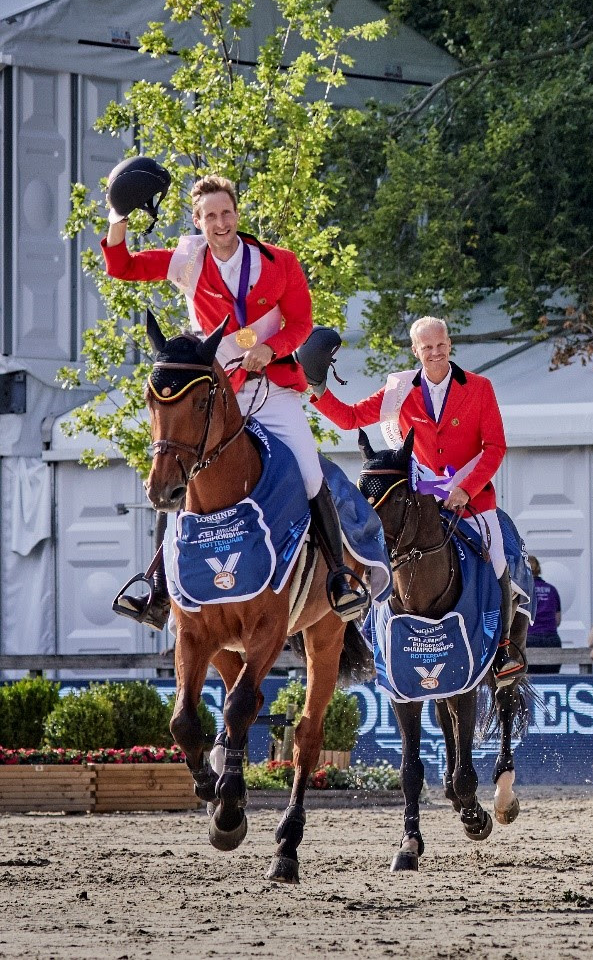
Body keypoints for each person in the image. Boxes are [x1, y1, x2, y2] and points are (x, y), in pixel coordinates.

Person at [104, 173, 368, 628]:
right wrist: (118, 215)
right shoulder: (188, 262)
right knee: (178, 475)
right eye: (210, 216)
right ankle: (159, 587)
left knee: (308, 471)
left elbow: (302, 324)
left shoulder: (279, 261)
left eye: (226, 213)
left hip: (271, 388)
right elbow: (122, 267)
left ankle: (339, 577)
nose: (220, 222)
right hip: (217, 394)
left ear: (237, 215)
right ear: (197, 220)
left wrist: (272, 347)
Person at [312, 316, 521, 681]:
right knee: (378, 552)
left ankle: (503, 648)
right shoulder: (399, 391)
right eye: (428, 348)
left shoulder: (479, 387)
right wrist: (318, 389)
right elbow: (349, 419)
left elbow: (495, 447)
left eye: (441, 345)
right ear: (415, 350)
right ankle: (376, 635)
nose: (436, 353)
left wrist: (466, 488)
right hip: (419, 500)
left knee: (499, 561)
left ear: (449, 343)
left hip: (470, 500)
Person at [525, 556, 563, 674]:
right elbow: (557, 620)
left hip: (530, 637)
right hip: (551, 638)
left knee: (531, 681)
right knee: (551, 679)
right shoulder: (551, 589)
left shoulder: (523, 590)